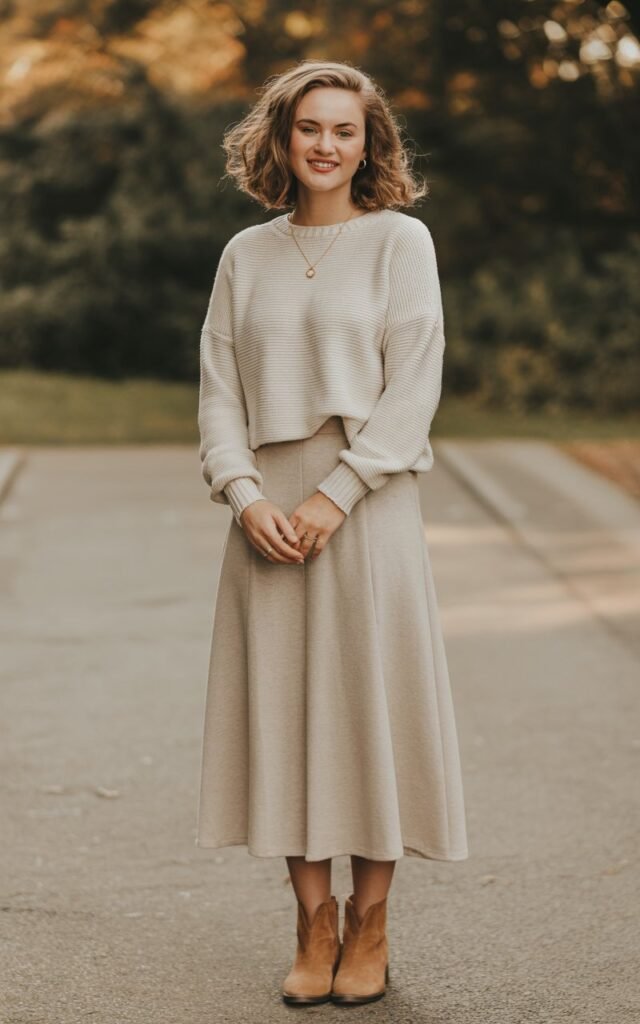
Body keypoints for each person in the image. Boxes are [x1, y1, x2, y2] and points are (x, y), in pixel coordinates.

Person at [194, 58, 469, 1006]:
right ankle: (313, 925)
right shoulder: (245, 255)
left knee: (370, 710)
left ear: (368, 143)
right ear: (282, 137)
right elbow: (219, 390)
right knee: (286, 714)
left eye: (344, 130)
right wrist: (244, 493)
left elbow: (415, 384)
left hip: (368, 502)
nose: (325, 144)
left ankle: (371, 924)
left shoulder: (400, 241)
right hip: (266, 513)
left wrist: (338, 492)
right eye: (309, 126)